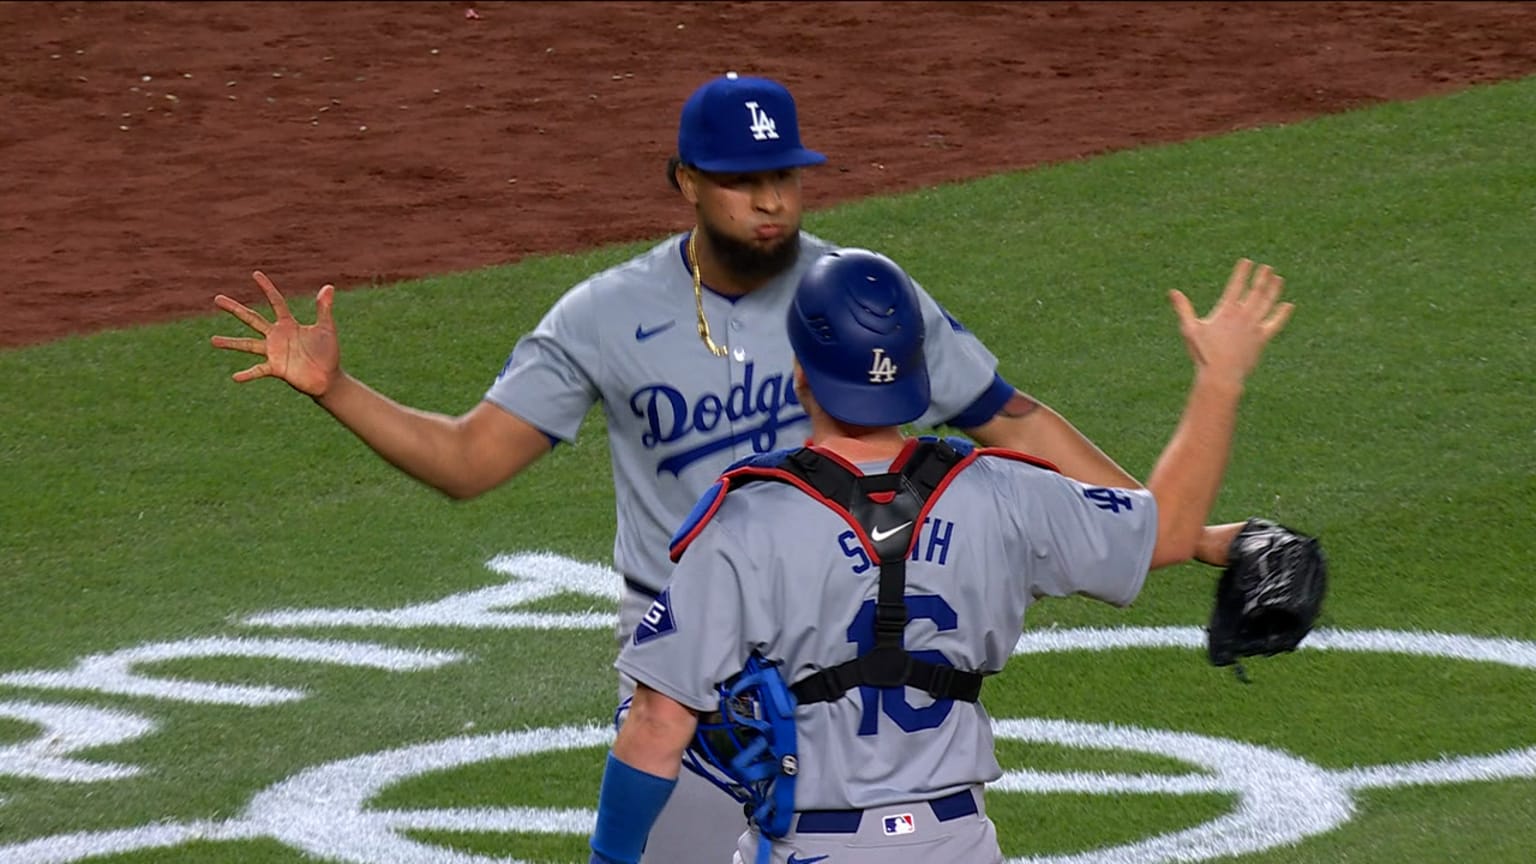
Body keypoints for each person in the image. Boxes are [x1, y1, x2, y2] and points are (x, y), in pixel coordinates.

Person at [211, 71, 1254, 864]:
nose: (772, 203)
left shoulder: (859, 296)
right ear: (685, 185)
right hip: (699, 673)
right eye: (744, 181)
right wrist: (337, 391)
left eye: (786, 178)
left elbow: (1019, 425)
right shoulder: (604, 316)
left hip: (832, 654)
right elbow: (468, 459)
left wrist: (1179, 529)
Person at [587, 248, 1293, 864]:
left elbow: (656, 725)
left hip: (813, 847)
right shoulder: (1004, 492)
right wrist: (1220, 380)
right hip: (958, 844)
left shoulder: (746, 522)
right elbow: (1164, 531)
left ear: (802, 372)